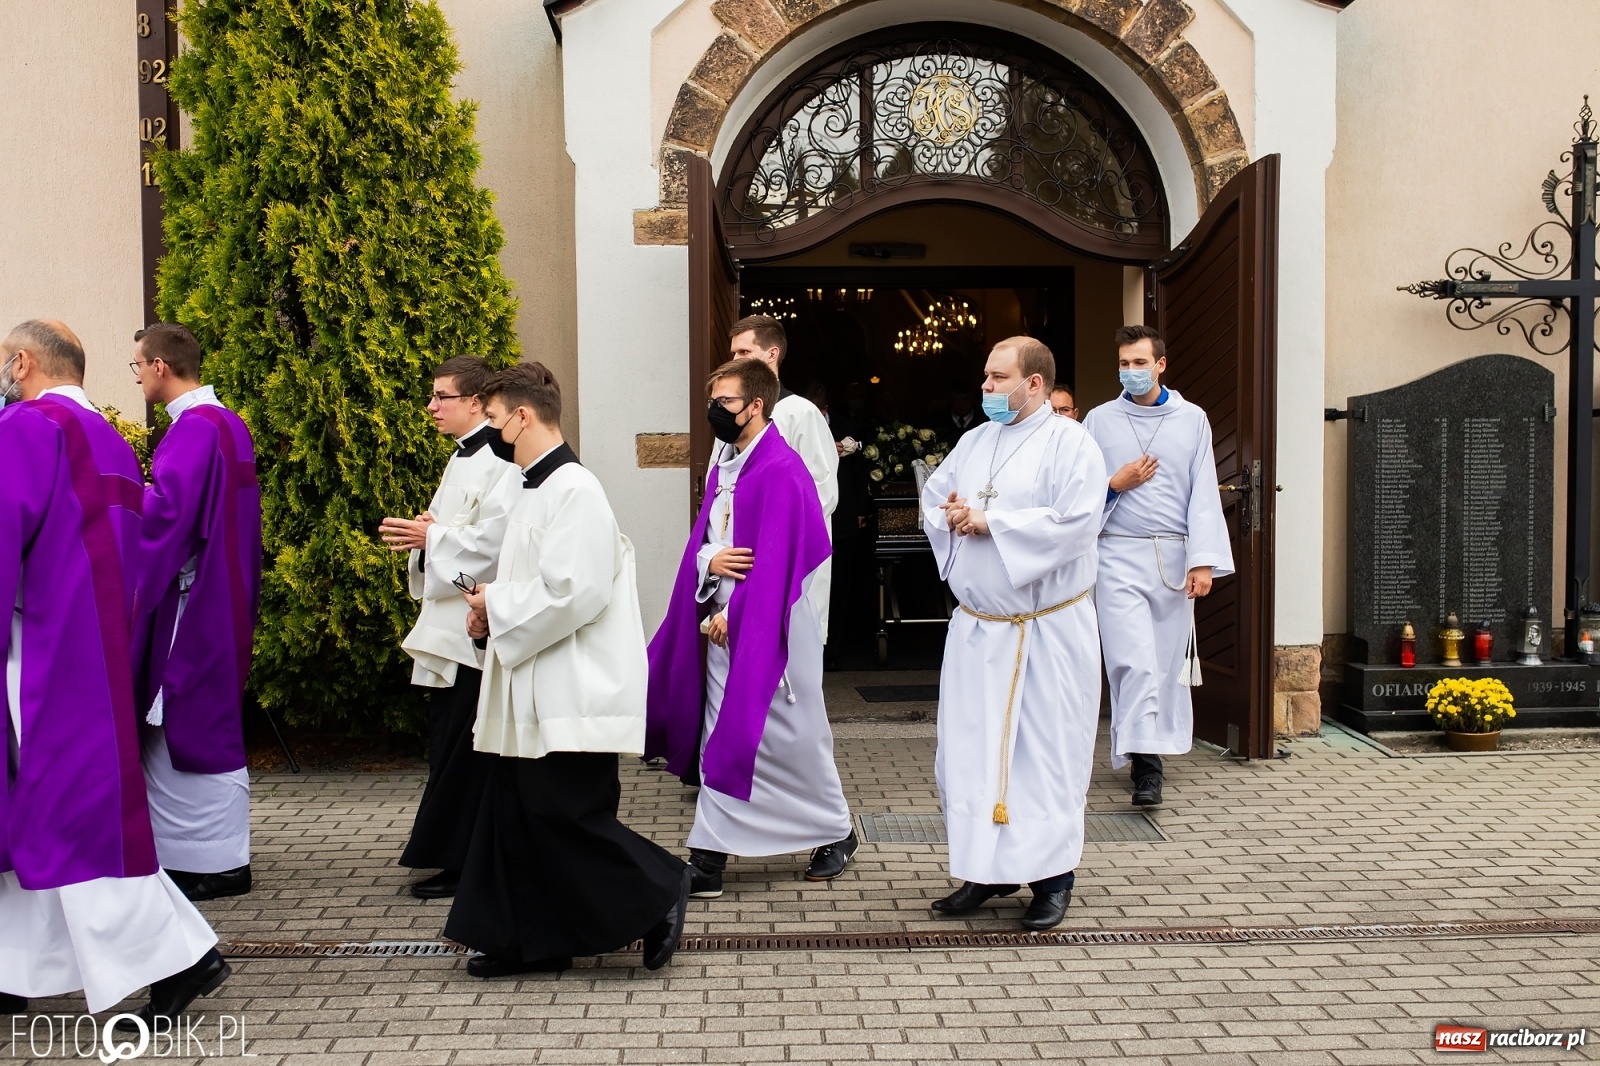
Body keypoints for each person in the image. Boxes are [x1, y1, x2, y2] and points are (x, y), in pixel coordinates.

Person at [0, 320, 227, 1021]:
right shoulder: (109, 439)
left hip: (35, 651)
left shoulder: (25, 428)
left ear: (23, 361)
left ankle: (185, 955)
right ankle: (13, 969)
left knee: (62, 816)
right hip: (92, 648)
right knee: (40, 813)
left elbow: (6, 526)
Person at [447, 363, 688, 977]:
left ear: (523, 416)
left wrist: (497, 605)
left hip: (569, 687)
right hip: (531, 683)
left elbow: (575, 592)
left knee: (562, 816)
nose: (492, 431)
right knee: (517, 815)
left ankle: (662, 888)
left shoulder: (575, 490)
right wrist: (488, 609)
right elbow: (532, 580)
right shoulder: (534, 487)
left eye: (496, 419)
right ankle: (528, 942)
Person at [647, 357, 856, 899]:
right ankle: (709, 856)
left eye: (726, 403)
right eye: (712, 402)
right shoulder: (727, 463)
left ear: (756, 405)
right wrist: (708, 565)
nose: (716, 412)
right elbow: (708, 541)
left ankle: (836, 829)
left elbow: (784, 559)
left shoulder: (781, 469)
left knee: (795, 735)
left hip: (771, 623)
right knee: (728, 730)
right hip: (721, 622)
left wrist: (733, 614)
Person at [920, 336, 1105, 932]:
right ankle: (986, 871)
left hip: (1044, 632)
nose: (986, 387)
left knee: (1042, 757)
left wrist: (990, 520)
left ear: (1034, 384)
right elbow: (936, 494)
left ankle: (1053, 879)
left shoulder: (1072, 444)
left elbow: (1075, 523)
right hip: (979, 631)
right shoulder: (976, 440)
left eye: (998, 378)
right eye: (985, 377)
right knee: (972, 756)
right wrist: (951, 515)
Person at [130, 323, 262, 902]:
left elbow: (165, 518)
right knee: (201, 718)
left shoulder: (191, 430)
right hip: (220, 591)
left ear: (161, 366)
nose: (134, 377)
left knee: (186, 722)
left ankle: (215, 863)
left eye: (137, 366)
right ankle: (205, 855)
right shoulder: (226, 422)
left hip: (192, 600)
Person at [380, 356, 519, 900]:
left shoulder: (501, 460)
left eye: (444, 397)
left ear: (478, 402)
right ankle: (454, 853)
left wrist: (432, 540)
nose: (432, 406)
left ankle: (464, 860)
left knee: (465, 744)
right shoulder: (463, 458)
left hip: (471, 624)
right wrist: (430, 535)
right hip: (446, 623)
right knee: (447, 741)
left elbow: (495, 543)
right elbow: (455, 532)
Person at [1083, 325, 1233, 808]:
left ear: (1161, 365)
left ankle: (1148, 753)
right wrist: (1115, 483)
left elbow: (1204, 492)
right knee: (1132, 661)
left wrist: (1203, 561)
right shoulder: (1100, 420)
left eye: (1140, 363)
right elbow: (1079, 487)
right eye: (1124, 364)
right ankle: (1146, 766)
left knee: (1165, 664)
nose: (1130, 372)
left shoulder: (1192, 419)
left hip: (1172, 557)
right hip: (1117, 553)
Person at [724, 315, 839, 642]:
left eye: (744, 352)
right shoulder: (732, 413)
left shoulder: (801, 413)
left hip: (789, 553)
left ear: (771, 354)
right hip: (740, 551)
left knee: (791, 659)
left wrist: (773, 538)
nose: (734, 361)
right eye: (733, 353)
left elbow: (822, 491)